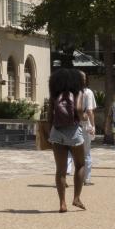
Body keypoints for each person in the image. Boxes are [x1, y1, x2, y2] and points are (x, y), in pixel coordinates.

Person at [47, 61, 87, 212]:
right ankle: (76, 198)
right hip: (73, 131)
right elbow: (77, 108)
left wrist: (50, 133)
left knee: (60, 170)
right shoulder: (78, 92)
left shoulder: (55, 94)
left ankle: (62, 203)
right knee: (80, 164)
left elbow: (49, 115)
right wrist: (82, 117)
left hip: (57, 131)